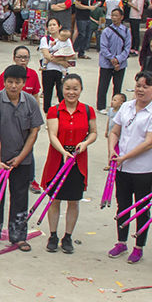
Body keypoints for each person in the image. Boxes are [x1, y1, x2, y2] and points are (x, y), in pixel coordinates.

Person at [0, 64, 44, 251]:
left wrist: (20, 157)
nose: (13, 86)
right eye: (10, 82)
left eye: (17, 82)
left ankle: (18, 236)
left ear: (23, 83)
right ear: (4, 82)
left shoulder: (31, 103)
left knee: (20, 198)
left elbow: (34, 133)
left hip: (21, 160)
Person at [108, 72, 152, 264]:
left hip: (143, 169)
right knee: (122, 205)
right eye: (138, 85)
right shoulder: (126, 107)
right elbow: (115, 131)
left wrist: (124, 156)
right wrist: (112, 151)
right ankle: (121, 242)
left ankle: (138, 246)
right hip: (122, 168)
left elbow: (149, 143)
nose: (140, 90)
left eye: (145, 86)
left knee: (141, 208)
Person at [40, 74, 97, 253]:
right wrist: (64, 152)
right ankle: (53, 235)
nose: (71, 92)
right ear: (61, 90)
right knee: (54, 199)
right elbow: (52, 136)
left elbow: (94, 132)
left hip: (78, 160)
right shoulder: (54, 110)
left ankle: (68, 236)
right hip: (58, 158)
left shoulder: (88, 110)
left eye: (75, 89)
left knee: (74, 200)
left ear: (81, 90)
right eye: (67, 88)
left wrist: (85, 144)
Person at [97, 7, 131, 112]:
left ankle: (116, 106)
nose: (114, 18)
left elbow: (127, 47)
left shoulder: (126, 30)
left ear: (121, 17)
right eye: (112, 15)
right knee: (103, 85)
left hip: (120, 64)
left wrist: (118, 59)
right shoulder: (106, 31)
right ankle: (101, 106)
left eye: (116, 15)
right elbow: (103, 47)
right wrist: (112, 58)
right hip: (106, 63)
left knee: (117, 85)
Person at [38, 17, 72, 111]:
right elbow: (47, 55)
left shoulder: (66, 40)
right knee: (47, 95)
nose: (52, 27)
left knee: (62, 95)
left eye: (54, 25)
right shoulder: (45, 39)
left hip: (62, 71)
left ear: (59, 26)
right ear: (47, 28)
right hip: (48, 70)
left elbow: (70, 55)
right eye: (50, 25)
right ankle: (48, 116)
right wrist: (61, 61)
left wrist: (64, 62)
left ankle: (62, 116)